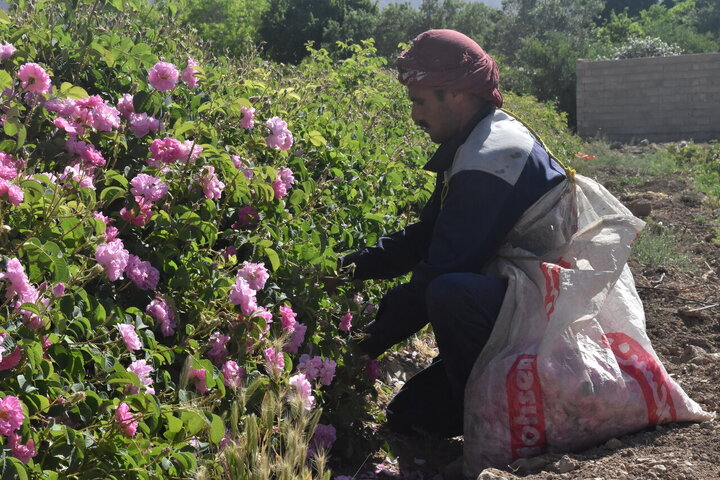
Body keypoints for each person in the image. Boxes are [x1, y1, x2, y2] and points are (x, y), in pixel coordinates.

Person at [336, 29, 568, 437]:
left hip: (546, 321)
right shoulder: (477, 142)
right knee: (412, 414)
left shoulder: (490, 158)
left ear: (456, 94)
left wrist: (361, 346)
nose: (415, 117)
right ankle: (498, 403)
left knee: (448, 292)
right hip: (521, 302)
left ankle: (509, 428)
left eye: (420, 102)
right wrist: (343, 269)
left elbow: (440, 270)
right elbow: (427, 236)